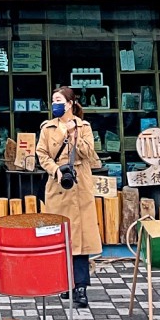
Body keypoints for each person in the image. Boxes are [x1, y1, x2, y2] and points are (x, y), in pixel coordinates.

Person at [36, 86, 102, 307]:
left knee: (80, 240)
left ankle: (80, 288)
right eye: (53, 100)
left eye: (59, 100)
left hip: (80, 185)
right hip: (57, 186)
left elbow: (89, 154)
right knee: (59, 235)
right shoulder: (47, 128)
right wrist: (56, 170)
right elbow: (42, 154)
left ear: (70, 104)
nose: (55, 104)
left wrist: (73, 134)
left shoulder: (84, 127)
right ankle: (64, 283)